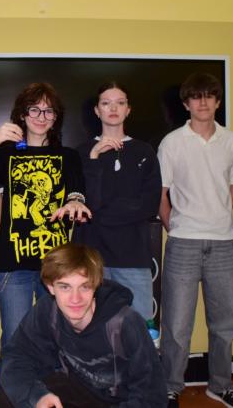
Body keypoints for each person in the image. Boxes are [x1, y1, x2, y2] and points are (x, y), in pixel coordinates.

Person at [0, 82, 91, 356]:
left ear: (56, 118)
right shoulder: (7, 154)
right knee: (15, 341)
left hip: (58, 267)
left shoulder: (68, 156)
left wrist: (75, 201)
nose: (41, 116)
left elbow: (77, 190)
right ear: (22, 115)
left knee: (58, 341)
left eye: (48, 111)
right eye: (34, 109)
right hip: (14, 266)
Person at [157, 73, 233, 408]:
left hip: (224, 243)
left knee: (225, 323)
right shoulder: (172, 143)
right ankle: (171, 387)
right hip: (183, 243)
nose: (203, 102)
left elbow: (232, 190)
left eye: (210, 95)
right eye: (196, 96)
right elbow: (161, 194)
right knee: (176, 325)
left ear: (218, 101)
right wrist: (177, 227)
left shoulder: (232, 142)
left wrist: (215, 219)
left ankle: (220, 386)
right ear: (186, 104)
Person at [0, 242, 167, 408]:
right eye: (65, 287)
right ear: (50, 287)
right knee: (8, 394)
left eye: (85, 287)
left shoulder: (125, 322)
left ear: (96, 285)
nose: (75, 299)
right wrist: (37, 396)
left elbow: (152, 396)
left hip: (118, 402)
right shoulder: (48, 310)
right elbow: (16, 357)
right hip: (78, 392)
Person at [74, 81, 162, 321]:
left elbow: (149, 205)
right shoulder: (81, 153)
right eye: (106, 103)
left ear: (128, 109)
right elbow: (87, 203)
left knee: (138, 328)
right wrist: (94, 158)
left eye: (120, 103)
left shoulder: (144, 152)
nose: (113, 108)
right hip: (91, 258)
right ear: (97, 110)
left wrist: (102, 213)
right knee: (90, 328)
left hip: (133, 256)